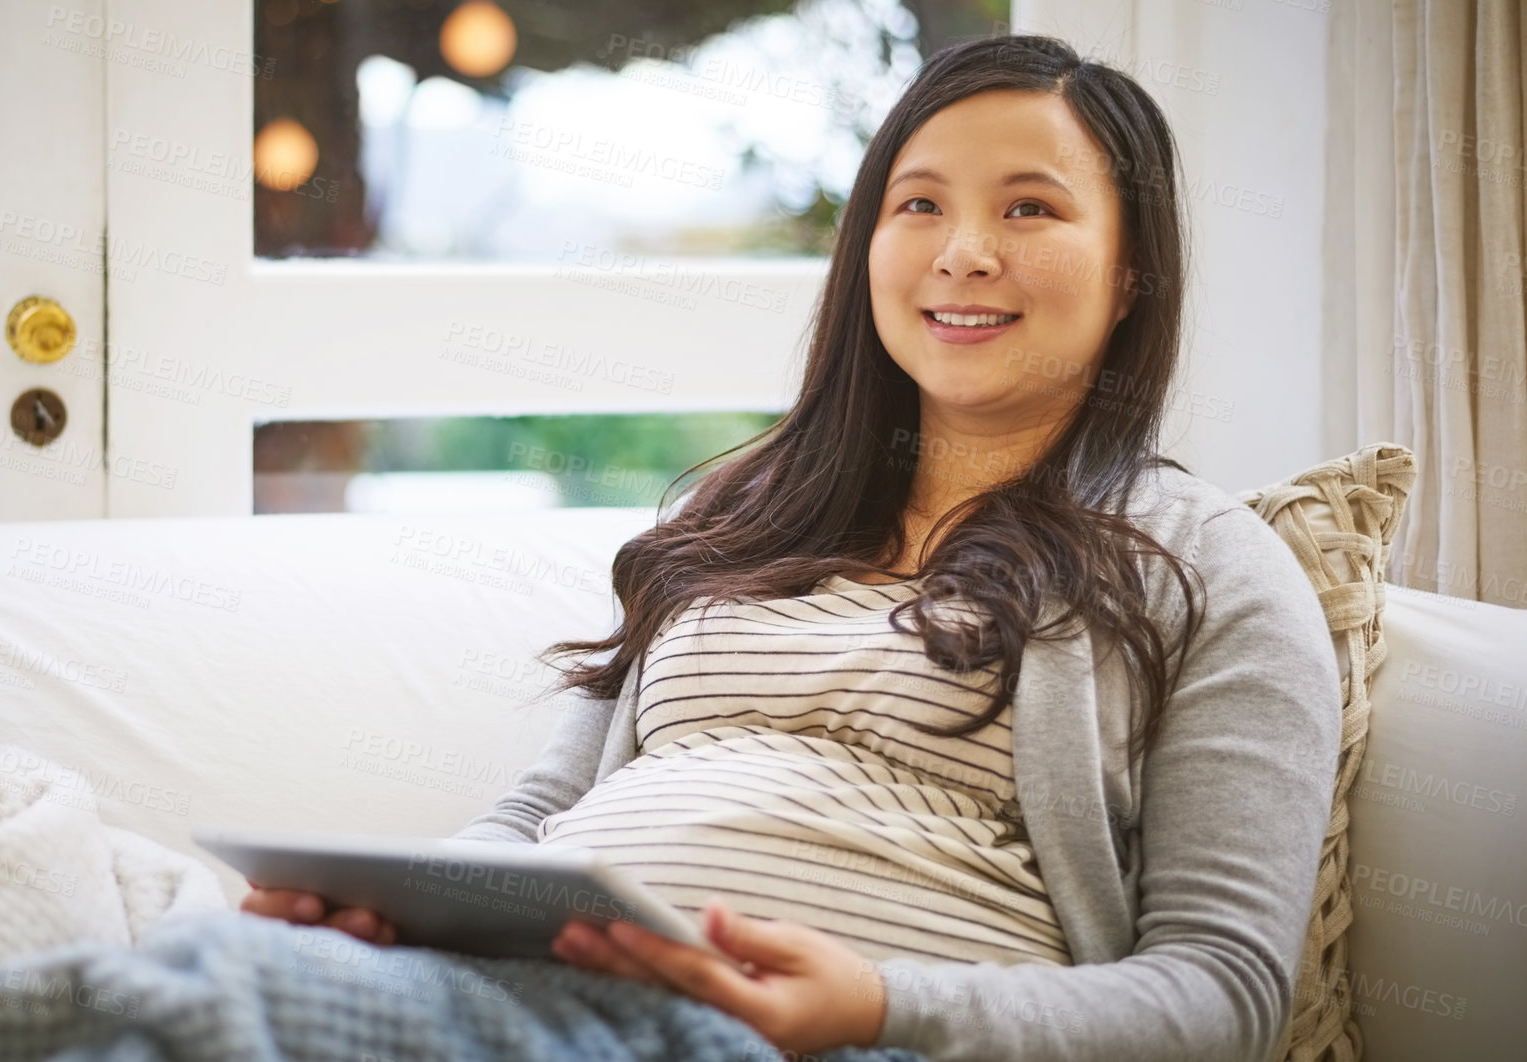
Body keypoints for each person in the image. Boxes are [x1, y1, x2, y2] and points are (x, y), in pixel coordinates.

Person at [245, 33, 1339, 1062]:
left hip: (853, 1042)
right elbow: (537, 817)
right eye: (920, 205)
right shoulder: (738, 512)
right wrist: (394, 915)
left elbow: (1222, 996)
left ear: (1131, 274)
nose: (964, 254)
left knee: (194, 1002)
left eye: (1030, 209)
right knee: (227, 965)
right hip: (547, 1002)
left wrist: (875, 1001)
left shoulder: (1208, 568)